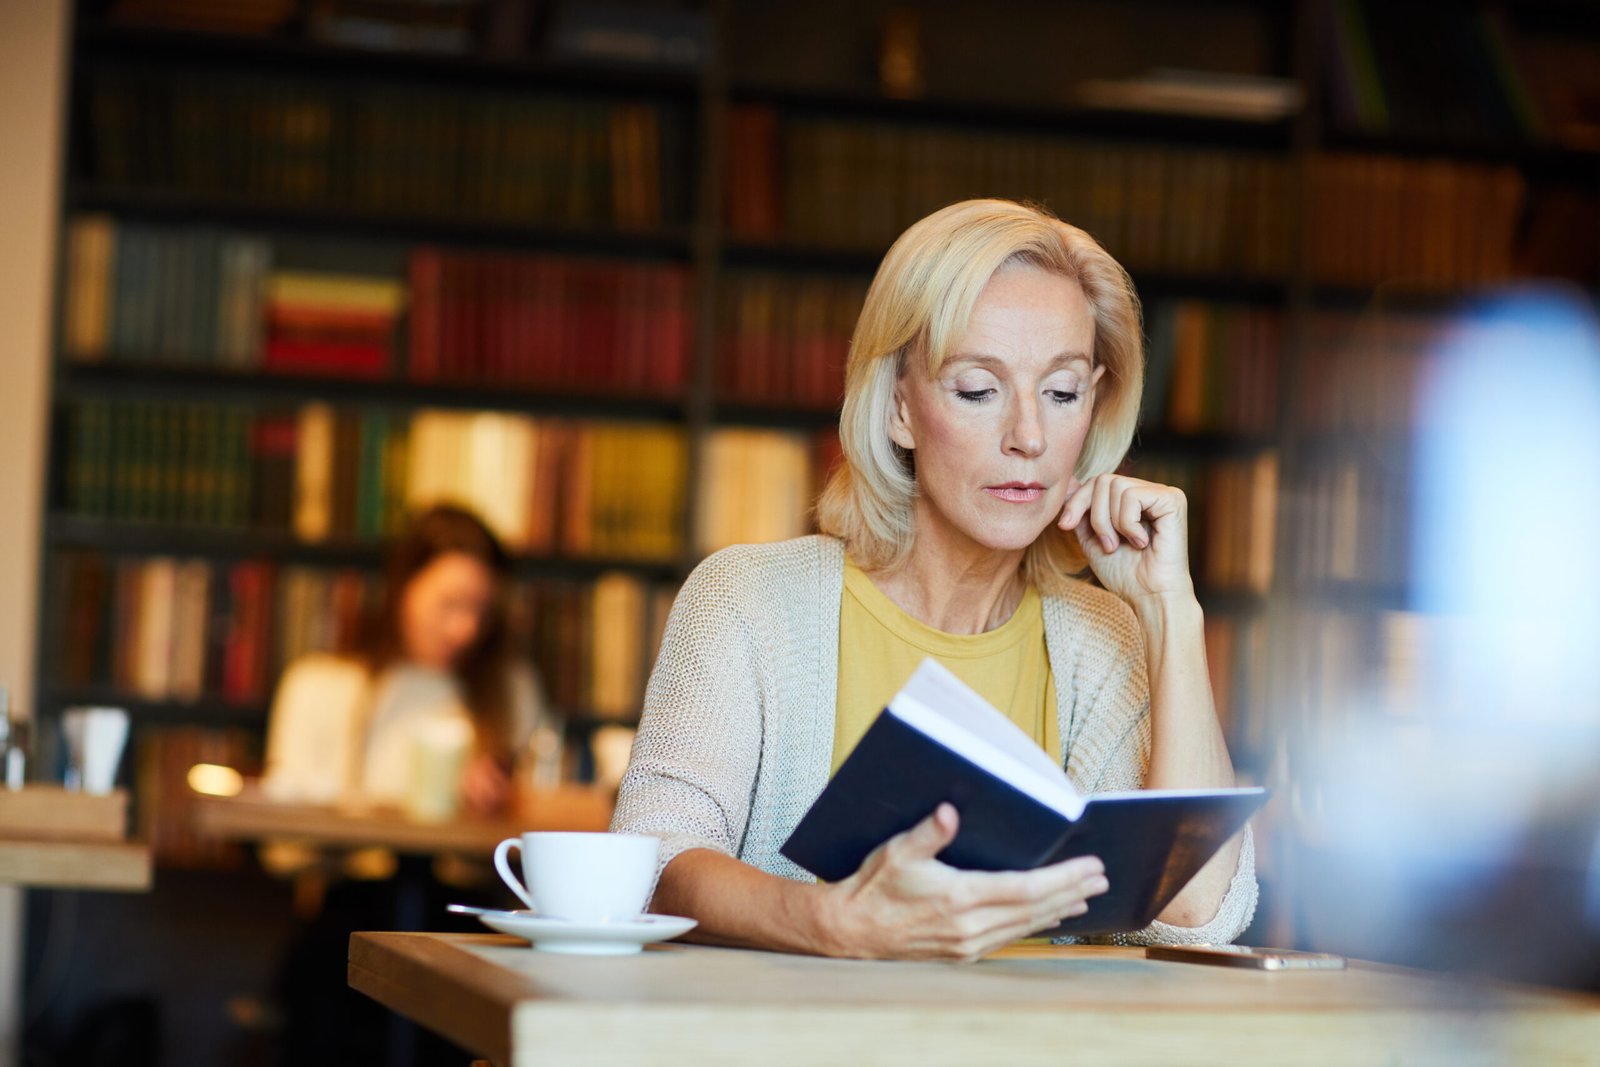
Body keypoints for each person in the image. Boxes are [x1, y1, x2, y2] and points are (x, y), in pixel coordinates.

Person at [611, 198, 1257, 961]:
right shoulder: (748, 602)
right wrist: (831, 922)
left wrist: (1169, 615)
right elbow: (648, 862)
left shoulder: (1103, 637)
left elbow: (1198, 913)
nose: (1028, 437)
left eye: (1062, 391)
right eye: (979, 389)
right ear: (898, 408)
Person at [263, 503, 551, 819]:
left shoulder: (512, 691)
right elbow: (286, 826)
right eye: (448, 604)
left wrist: (503, 802)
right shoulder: (318, 686)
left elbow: (538, 817)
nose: (465, 630)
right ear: (402, 589)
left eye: (481, 611)